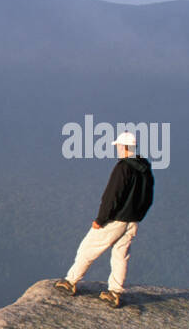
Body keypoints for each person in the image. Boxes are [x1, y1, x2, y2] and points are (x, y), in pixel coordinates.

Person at [54, 131, 155, 308]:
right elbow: (148, 198)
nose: (117, 149)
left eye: (118, 146)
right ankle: (115, 292)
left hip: (115, 219)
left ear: (124, 147)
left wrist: (101, 220)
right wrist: (137, 216)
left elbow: (111, 197)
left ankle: (70, 282)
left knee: (88, 248)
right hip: (133, 221)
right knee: (121, 255)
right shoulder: (145, 169)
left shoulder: (123, 168)